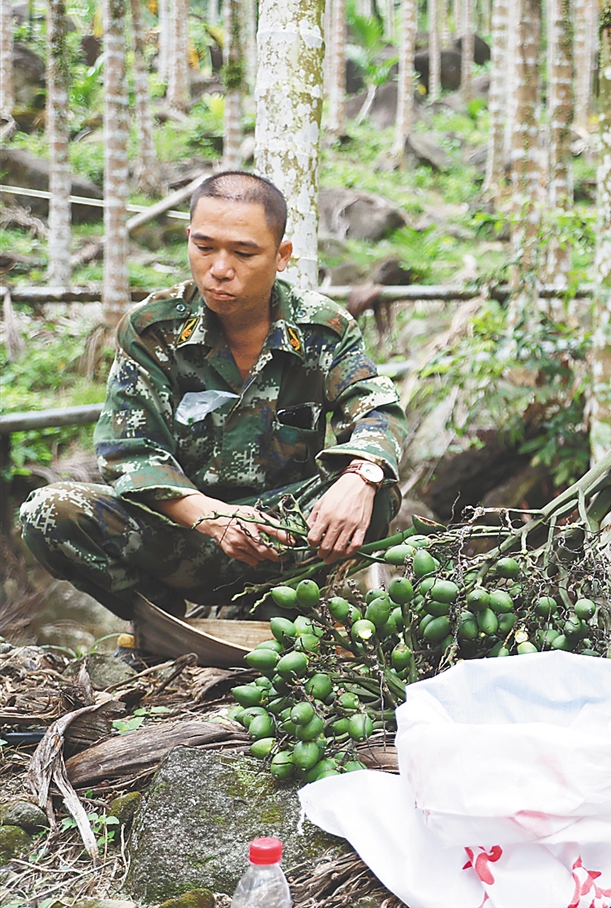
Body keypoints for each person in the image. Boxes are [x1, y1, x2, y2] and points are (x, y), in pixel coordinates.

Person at [20, 171, 406, 622]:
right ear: (189, 239)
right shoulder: (154, 329)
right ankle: (163, 623)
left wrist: (360, 475)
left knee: (376, 491)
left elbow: (376, 409)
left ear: (281, 256)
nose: (220, 269)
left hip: (284, 535)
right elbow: (129, 452)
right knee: (47, 512)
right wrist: (212, 517)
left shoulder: (323, 329)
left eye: (243, 253)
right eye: (204, 247)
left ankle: (276, 609)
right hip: (180, 531)